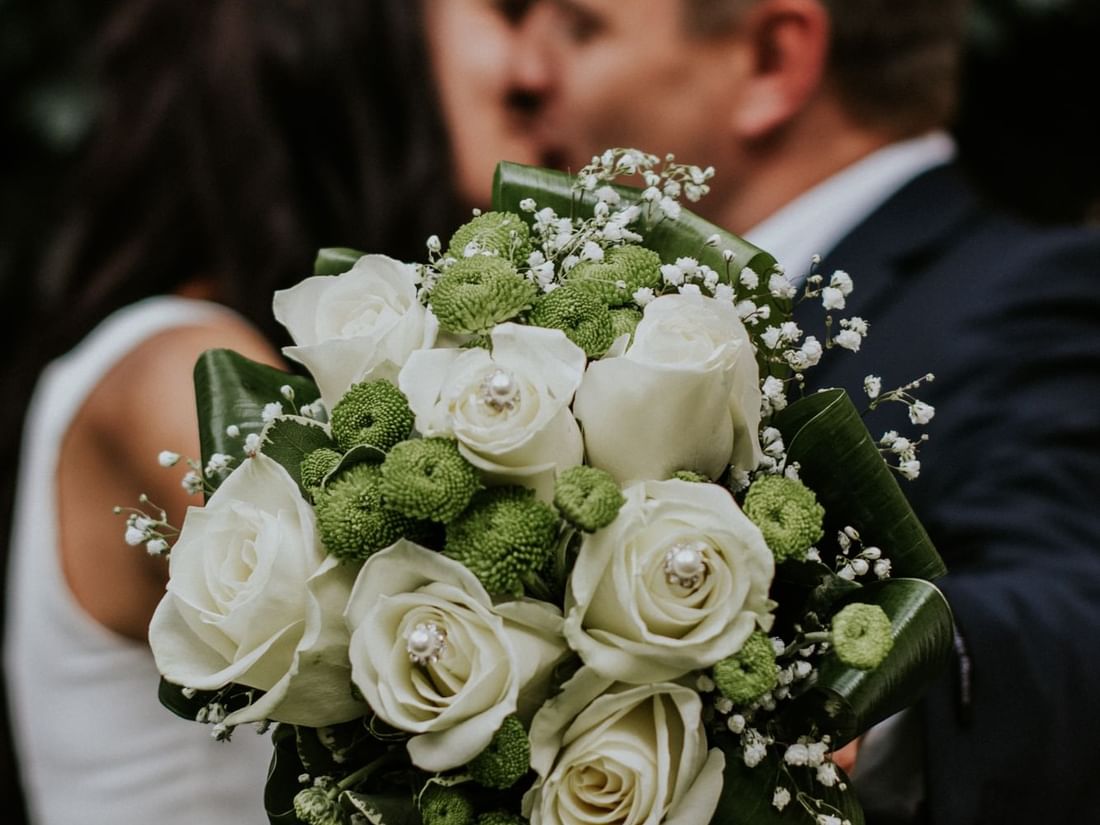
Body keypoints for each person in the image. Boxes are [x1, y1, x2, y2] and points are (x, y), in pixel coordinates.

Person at [511, 1, 1100, 823]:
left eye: (582, 27)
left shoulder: (1027, 295)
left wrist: (850, 677)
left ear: (773, 62)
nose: (524, 71)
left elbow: (1076, 609)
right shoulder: (576, 317)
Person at [2, 1, 541, 824]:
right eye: (504, 10)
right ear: (353, 51)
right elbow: (427, 658)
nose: (533, 60)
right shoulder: (177, 365)